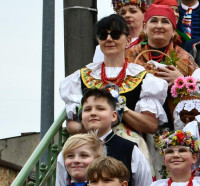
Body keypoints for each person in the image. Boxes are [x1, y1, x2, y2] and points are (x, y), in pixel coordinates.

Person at [60, 15, 167, 151]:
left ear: (128, 40)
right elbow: (71, 125)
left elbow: (151, 125)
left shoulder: (143, 78)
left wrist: (122, 108)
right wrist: (91, 126)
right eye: (103, 35)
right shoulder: (81, 77)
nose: (109, 39)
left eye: (115, 34)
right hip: (90, 146)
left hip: (128, 147)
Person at [56, 88, 153, 186]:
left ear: (113, 116)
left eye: (100, 109)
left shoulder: (130, 150)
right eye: (87, 109)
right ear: (81, 116)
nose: (93, 113)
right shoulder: (69, 151)